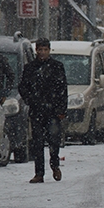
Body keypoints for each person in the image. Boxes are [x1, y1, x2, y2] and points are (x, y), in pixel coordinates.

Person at [18, 38, 67, 183]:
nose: (43, 53)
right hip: (37, 110)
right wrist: (30, 99)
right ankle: (39, 173)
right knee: (37, 143)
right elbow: (23, 87)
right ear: (36, 50)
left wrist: (61, 109)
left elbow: (63, 89)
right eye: (40, 50)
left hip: (53, 111)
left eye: (45, 50)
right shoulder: (30, 68)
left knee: (54, 141)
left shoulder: (57, 67)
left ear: (49, 50)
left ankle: (55, 166)